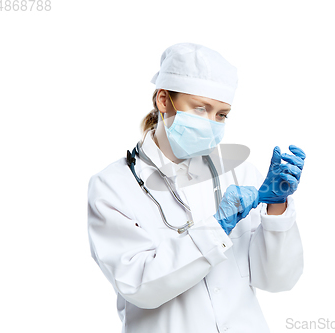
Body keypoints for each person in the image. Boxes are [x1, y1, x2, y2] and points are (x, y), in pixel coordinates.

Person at [87, 42, 306, 333]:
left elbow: (278, 281)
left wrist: (276, 208)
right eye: (200, 108)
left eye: (221, 114)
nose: (211, 123)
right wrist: (217, 227)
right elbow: (138, 285)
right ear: (163, 101)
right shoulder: (113, 186)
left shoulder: (240, 173)